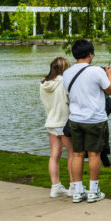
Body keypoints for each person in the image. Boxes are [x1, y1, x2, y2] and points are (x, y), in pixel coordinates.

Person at [62, 39, 111, 204]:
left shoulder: (67, 73)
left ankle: (77, 192)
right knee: (94, 154)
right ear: (90, 54)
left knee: (77, 154)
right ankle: (93, 191)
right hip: (94, 119)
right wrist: (109, 75)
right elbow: (110, 90)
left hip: (75, 119)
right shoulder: (96, 72)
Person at [39, 56, 73, 198]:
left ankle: (55, 186)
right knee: (73, 154)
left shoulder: (44, 84)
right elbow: (68, 100)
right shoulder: (64, 82)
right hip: (64, 122)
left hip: (51, 121)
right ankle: (74, 185)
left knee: (54, 155)